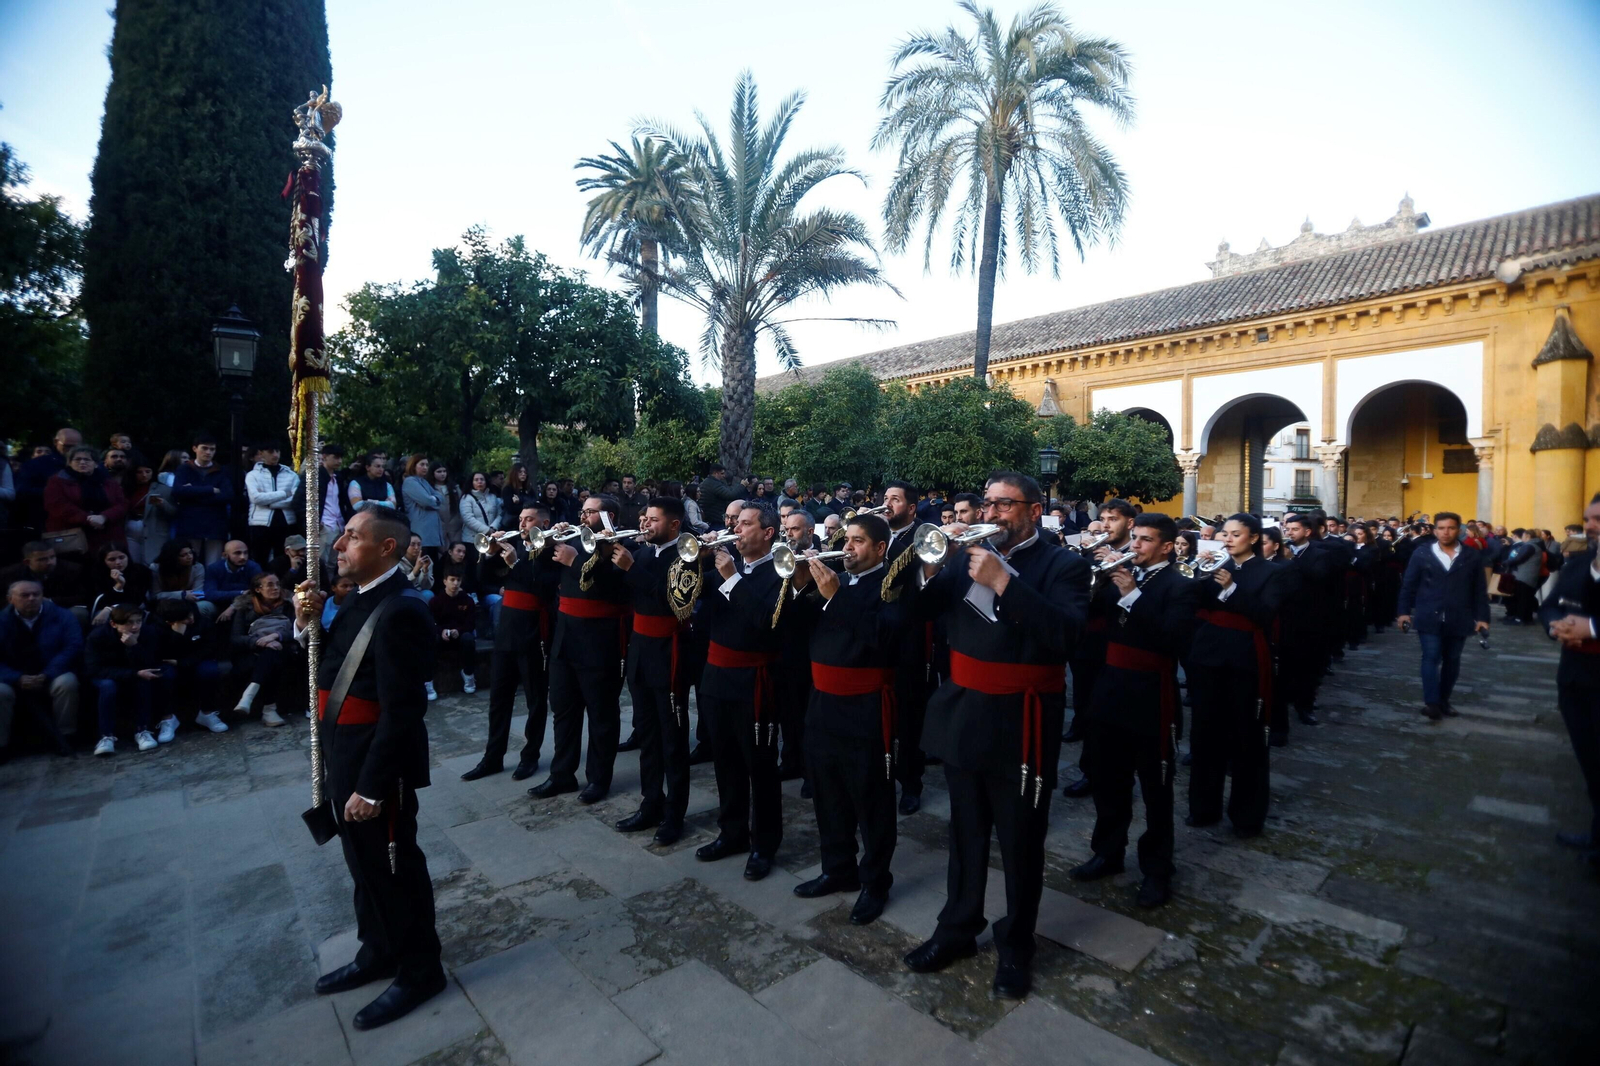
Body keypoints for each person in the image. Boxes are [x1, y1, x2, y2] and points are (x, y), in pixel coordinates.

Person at [902, 472, 1089, 1000]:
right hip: (965, 711)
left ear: (1034, 510)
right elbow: (919, 611)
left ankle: (1016, 945)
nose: (991, 513)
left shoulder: (1064, 565)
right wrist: (931, 567)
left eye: (1004, 504)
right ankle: (957, 928)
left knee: (1020, 840)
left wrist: (1005, 582)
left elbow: (1068, 636)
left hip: (1021, 719)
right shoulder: (965, 556)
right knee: (965, 831)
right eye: (987, 503)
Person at [292, 506, 446, 1030]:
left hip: (376, 764)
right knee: (363, 866)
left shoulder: (401, 609)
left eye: (351, 537)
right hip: (345, 751)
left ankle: (421, 970)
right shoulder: (358, 597)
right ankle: (377, 949)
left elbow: (403, 710)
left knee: (394, 869)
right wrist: (305, 624)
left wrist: (374, 786)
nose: (337, 546)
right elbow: (332, 670)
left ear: (386, 547)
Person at [1075, 513, 1198, 912]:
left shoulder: (1181, 586)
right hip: (1110, 686)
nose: (1136, 546)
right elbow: (1092, 614)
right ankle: (1107, 852)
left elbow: (1172, 639)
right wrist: (1096, 581)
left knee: (1156, 787)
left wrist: (1132, 595)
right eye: (1136, 538)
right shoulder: (1119, 575)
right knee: (1108, 778)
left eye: (1145, 540)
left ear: (1167, 546)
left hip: (1152, 693)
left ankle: (1157, 869)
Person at [788, 513, 903, 924]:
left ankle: (876, 882)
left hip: (865, 705)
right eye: (846, 539)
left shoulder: (892, 585)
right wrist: (800, 586)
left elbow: (882, 638)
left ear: (880, 548)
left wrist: (835, 597)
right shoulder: (833, 581)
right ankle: (838, 868)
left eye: (858, 541)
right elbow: (796, 629)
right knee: (827, 793)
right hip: (823, 702)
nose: (847, 547)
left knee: (871, 798)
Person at [694, 503, 790, 881]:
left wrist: (732, 577)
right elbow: (683, 595)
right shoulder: (724, 565)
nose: (736, 529)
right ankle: (731, 832)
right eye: (735, 523)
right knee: (725, 761)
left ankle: (764, 844)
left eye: (745, 524)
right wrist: (695, 559)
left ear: (767, 533)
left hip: (755, 680)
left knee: (760, 766)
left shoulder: (780, 570)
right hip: (716, 677)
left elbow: (766, 622)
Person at [527, 495, 630, 803]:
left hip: (600, 642)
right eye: (582, 511)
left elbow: (610, 588)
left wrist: (573, 562)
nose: (583, 516)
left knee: (601, 715)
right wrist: (548, 542)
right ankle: (562, 775)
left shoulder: (621, 545)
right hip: (565, 640)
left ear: (609, 516)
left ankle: (598, 779)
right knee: (563, 711)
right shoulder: (573, 538)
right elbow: (541, 574)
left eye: (590, 512)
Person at [1186, 514, 1283, 837]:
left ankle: (1246, 816)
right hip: (1208, 656)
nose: (1227, 539)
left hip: (1245, 658)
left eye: (1235, 534)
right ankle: (1203, 807)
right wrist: (1199, 574)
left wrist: (1230, 589)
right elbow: (1194, 603)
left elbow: (1265, 614)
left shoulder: (1271, 572)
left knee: (1247, 736)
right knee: (1205, 733)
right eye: (1224, 534)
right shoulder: (1215, 566)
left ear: (1253, 538)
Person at [610, 498, 698, 843]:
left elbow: (674, 602)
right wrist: (606, 552)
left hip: (669, 652)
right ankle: (651, 802)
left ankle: (674, 814)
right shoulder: (644, 553)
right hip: (641, 652)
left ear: (674, 525)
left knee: (672, 739)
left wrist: (632, 568)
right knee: (646, 735)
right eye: (644, 518)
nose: (645, 524)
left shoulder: (686, 556)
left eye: (653, 520)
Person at [460, 508, 553, 781]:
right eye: (521, 519)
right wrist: (490, 553)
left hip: (534, 631)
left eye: (529, 519)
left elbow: (543, 586)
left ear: (544, 522)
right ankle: (493, 757)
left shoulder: (552, 549)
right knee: (498, 699)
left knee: (535, 698)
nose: (522, 524)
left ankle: (530, 756)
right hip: (506, 632)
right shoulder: (514, 547)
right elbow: (483, 579)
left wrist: (515, 563)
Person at [1540, 494, 1600, 870]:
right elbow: (1550, 605)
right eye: (1588, 519)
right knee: (1591, 766)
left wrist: (1592, 628)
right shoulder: (1578, 564)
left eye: (1598, 519)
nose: (1590, 526)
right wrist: (1555, 626)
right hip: (1575, 680)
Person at [1063, 501, 1137, 799]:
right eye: (1103, 518)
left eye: (1113, 519)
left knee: (1113, 714)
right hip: (1088, 640)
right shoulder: (1090, 552)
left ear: (1129, 523)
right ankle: (1089, 770)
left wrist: (1116, 566)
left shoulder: (1138, 555)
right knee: (1086, 702)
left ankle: (1114, 772)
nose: (1105, 524)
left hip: (1121, 644)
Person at [1396, 512, 1490, 720]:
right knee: (1430, 656)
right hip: (1429, 614)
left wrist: (1482, 617)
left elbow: (1479, 590)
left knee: (1452, 660)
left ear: (1459, 530)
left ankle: (1443, 700)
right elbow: (1408, 585)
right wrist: (1403, 612)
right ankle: (1432, 703)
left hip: (1459, 616)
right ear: (1434, 530)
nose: (1445, 532)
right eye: (1441, 528)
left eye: (1451, 528)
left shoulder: (1471, 556)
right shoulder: (1422, 553)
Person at [880, 481, 930, 814]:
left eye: (895, 500)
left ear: (911, 508)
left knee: (909, 714)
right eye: (885, 498)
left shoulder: (922, 537)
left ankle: (911, 782)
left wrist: (882, 539)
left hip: (909, 634)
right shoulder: (875, 532)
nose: (887, 504)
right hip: (877, 630)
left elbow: (913, 575)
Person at [0, 579, 80, 759]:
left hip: (51, 672)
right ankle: (2, 745)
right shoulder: (2, 621)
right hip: (13, 677)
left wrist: (47, 674)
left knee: (67, 683)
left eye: (36, 594)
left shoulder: (62, 616)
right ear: (10, 599)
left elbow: (72, 647)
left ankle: (66, 736)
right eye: (25, 595)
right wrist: (16, 677)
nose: (31, 598)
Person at [84, 603, 170, 756]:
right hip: (107, 675)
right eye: (129, 622)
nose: (135, 626)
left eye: (138, 621)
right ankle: (106, 736)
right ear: (114, 624)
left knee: (144, 681)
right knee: (108, 686)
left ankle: (142, 730)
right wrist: (133, 673)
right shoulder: (98, 636)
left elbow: (152, 663)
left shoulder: (148, 632)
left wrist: (134, 646)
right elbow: (95, 669)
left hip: (135, 673)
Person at [229, 570, 302, 726]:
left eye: (277, 584)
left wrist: (276, 636)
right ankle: (269, 710)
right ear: (258, 589)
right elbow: (236, 638)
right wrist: (259, 641)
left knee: (272, 654)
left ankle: (249, 694)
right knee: (270, 656)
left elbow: (297, 629)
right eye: (269, 585)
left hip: (284, 646)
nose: (275, 588)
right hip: (254, 649)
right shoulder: (245, 608)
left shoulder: (289, 605)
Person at [152, 598, 229, 737]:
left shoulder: (202, 622)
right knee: (164, 675)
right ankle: (168, 718)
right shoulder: (157, 628)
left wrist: (184, 662)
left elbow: (209, 647)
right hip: (170, 663)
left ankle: (207, 713)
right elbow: (161, 654)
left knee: (209, 671)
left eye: (190, 615)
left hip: (196, 660)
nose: (191, 619)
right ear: (171, 622)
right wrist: (177, 635)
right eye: (185, 619)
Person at [44, 445, 128, 555]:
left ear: (96, 464)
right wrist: (88, 519)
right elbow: (57, 505)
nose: (82, 462)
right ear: (70, 463)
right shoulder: (57, 481)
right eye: (77, 459)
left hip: (107, 534)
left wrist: (104, 517)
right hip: (72, 536)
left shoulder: (108, 481)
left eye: (87, 459)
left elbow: (122, 504)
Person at [172, 433, 233, 564]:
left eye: (212, 449)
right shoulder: (184, 469)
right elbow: (177, 491)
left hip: (215, 524)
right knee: (190, 562)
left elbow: (227, 495)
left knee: (214, 564)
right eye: (204, 448)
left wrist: (192, 493)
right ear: (195, 448)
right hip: (190, 524)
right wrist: (210, 490)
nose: (208, 452)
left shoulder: (221, 470)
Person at [13, 427, 81, 534]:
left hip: (81, 520)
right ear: (56, 442)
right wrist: (54, 492)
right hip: (46, 521)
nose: (71, 450)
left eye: (76, 446)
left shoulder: (90, 464)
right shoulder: (36, 464)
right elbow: (22, 490)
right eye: (67, 446)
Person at [244, 441, 300, 570]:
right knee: (260, 558)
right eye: (270, 452)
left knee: (284, 558)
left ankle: (282, 581)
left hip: (286, 522)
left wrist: (270, 502)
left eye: (277, 451)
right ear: (261, 453)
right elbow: (256, 498)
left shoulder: (291, 475)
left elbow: (295, 499)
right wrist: (284, 493)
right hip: (260, 523)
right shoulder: (253, 475)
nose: (275, 455)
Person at [1, 541, 86, 613]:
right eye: (42, 559)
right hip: (21, 610)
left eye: (52, 557)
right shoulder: (9, 574)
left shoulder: (72, 570)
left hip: (59, 608)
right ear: (27, 562)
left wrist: (49, 601)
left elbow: (83, 597)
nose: (50, 562)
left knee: (79, 613)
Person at [430, 569, 478, 695]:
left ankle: (469, 675)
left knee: (468, 639)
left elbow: (471, 623)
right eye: (452, 580)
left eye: (458, 580)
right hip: (442, 636)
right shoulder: (435, 601)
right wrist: (441, 631)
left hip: (460, 636)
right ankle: (428, 680)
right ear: (445, 581)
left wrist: (459, 631)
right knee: (430, 640)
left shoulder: (468, 601)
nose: (455, 583)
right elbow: (431, 623)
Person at [85, 541, 153, 624]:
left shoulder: (140, 571)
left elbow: (137, 599)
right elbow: (99, 601)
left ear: (127, 557)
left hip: (135, 609)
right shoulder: (97, 574)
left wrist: (109, 608)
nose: (118, 562)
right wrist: (118, 586)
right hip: (104, 610)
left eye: (121, 557)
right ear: (104, 561)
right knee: (101, 617)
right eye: (112, 559)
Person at [152, 540, 215, 625]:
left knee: (204, 606)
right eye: (183, 555)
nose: (189, 557)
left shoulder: (197, 567)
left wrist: (188, 597)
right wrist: (182, 595)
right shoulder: (156, 568)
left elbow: (197, 593)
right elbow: (155, 595)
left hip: (189, 603)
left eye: (190, 553)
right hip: (165, 603)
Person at [402, 455, 445, 561]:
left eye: (426, 465)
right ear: (413, 466)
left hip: (431, 534)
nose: (425, 467)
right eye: (422, 464)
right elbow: (426, 501)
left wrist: (433, 499)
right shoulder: (410, 482)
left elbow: (440, 497)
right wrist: (433, 500)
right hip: (421, 532)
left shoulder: (424, 482)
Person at [204, 539, 262, 614]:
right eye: (237, 553)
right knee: (202, 606)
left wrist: (233, 606)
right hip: (219, 603)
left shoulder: (253, 567)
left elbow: (255, 592)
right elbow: (210, 594)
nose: (243, 557)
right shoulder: (214, 568)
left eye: (245, 553)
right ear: (225, 555)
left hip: (244, 603)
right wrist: (241, 592)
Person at [460, 472, 501, 546]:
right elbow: (468, 518)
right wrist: (487, 530)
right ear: (472, 482)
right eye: (476, 480)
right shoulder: (466, 498)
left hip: (491, 537)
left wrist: (493, 527)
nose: (479, 482)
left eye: (482, 479)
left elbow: (500, 514)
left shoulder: (493, 497)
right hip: (472, 539)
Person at [697, 464, 740, 530]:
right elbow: (730, 495)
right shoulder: (714, 484)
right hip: (715, 519)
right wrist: (742, 486)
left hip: (709, 518)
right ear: (716, 473)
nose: (724, 476)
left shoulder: (706, 482)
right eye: (722, 473)